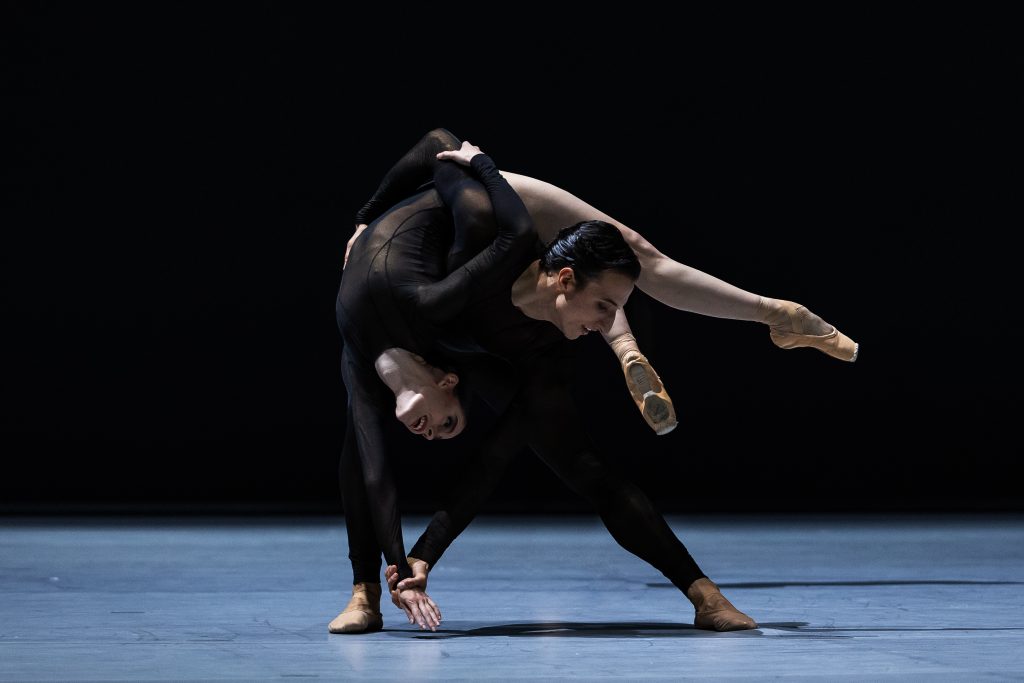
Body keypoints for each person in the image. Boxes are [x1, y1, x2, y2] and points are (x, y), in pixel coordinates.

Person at [332, 129, 765, 634]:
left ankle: (703, 593)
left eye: (612, 315)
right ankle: (364, 591)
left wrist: (425, 553)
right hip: (430, 331)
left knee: (582, 464)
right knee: (357, 446)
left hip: (480, 347)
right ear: (564, 281)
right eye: (603, 309)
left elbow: (493, 458)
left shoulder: (547, 353)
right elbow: (440, 147)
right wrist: (366, 216)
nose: (604, 322)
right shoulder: (478, 229)